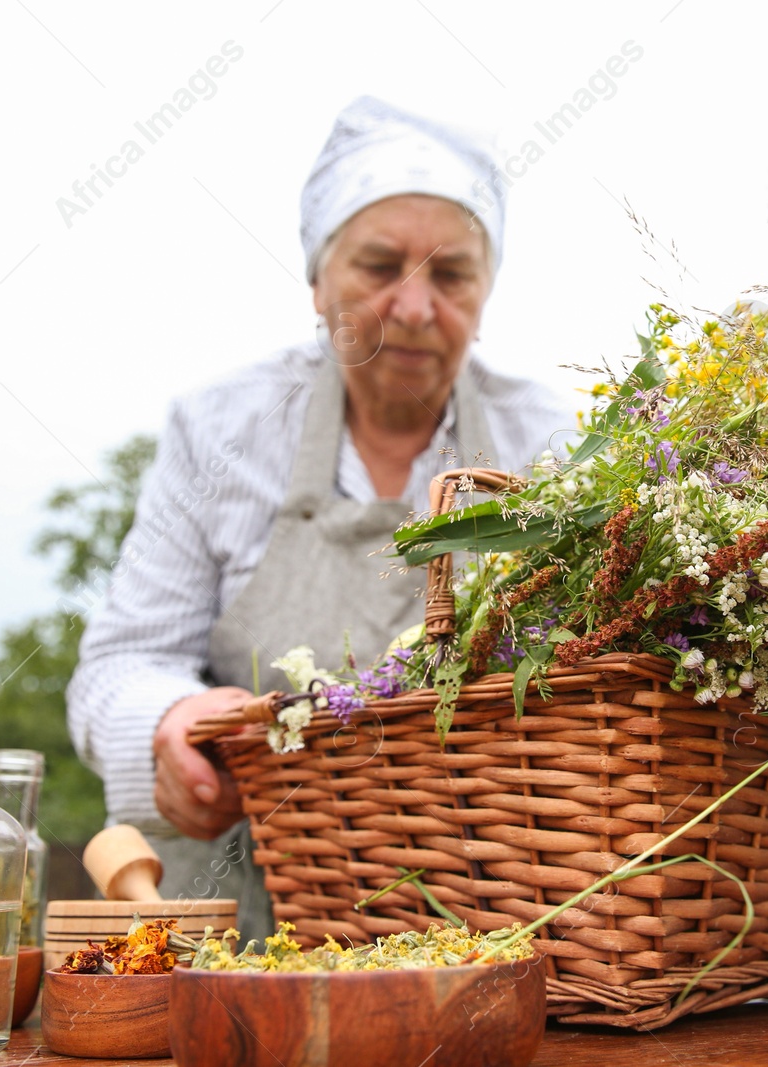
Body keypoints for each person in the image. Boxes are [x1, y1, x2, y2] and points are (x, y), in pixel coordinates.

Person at [66, 96, 574, 937]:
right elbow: (122, 662)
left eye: (450, 275)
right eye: (380, 267)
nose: (414, 308)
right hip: (239, 920)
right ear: (316, 280)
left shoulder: (551, 443)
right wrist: (170, 722)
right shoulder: (222, 429)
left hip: (499, 919)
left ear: (485, 293)